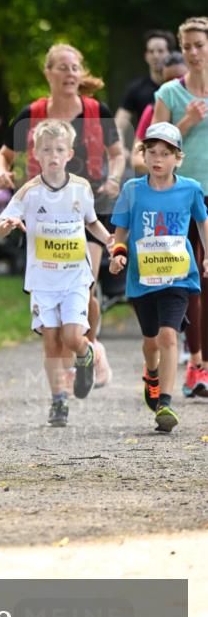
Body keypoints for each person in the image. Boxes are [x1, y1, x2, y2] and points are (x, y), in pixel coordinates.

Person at [0, 43, 125, 387]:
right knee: (53, 299)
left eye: (75, 67)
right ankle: (67, 365)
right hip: (46, 217)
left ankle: (90, 348)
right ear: (48, 73)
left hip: (89, 208)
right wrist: (1, 172)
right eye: (63, 67)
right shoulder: (31, 114)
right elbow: (3, 155)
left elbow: (117, 153)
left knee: (86, 285)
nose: (70, 73)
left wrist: (113, 178)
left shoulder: (97, 110)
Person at [0, 119, 113, 426]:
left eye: (59, 149)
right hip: (43, 280)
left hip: (74, 276)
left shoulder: (81, 188)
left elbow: (91, 222)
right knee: (51, 340)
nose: (53, 155)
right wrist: (7, 225)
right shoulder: (29, 192)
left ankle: (85, 355)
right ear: (36, 154)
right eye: (46, 150)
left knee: (72, 336)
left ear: (70, 154)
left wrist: (110, 241)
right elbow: (1, 225)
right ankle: (59, 400)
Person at [109, 122, 208, 431]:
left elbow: (202, 222)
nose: (158, 159)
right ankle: (151, 374)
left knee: (168, 335)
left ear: (178, 158)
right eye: (152, 152)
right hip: (142, 278)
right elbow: (121, 229)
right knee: (151, 341)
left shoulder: (190, 189)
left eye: (165, 154)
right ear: (143, 154)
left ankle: (165, 402)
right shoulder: (132, 190)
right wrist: (118, 254)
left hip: (178, 277)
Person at [152, 17, 208, 398]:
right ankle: (197, 363)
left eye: (199, 45)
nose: (192, 52)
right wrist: (185, 123)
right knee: (191, 280)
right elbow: (153, 147)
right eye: (186, 46)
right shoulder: (169, 94)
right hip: (181, 197)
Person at [114, 29, 176, 147]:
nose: (155, 56)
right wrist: (119, 149)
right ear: (146, 56)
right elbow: (119, 124)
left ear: (170, 54)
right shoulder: (136, 88)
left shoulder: (180, 87)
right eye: (151, 51)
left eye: (160, 51)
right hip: (147, 150)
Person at [131, 52, 188, 174]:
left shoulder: (202, 105)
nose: (174, 85)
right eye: (168, 80)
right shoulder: (152, 110)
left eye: (180, 79)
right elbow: (137, 159)